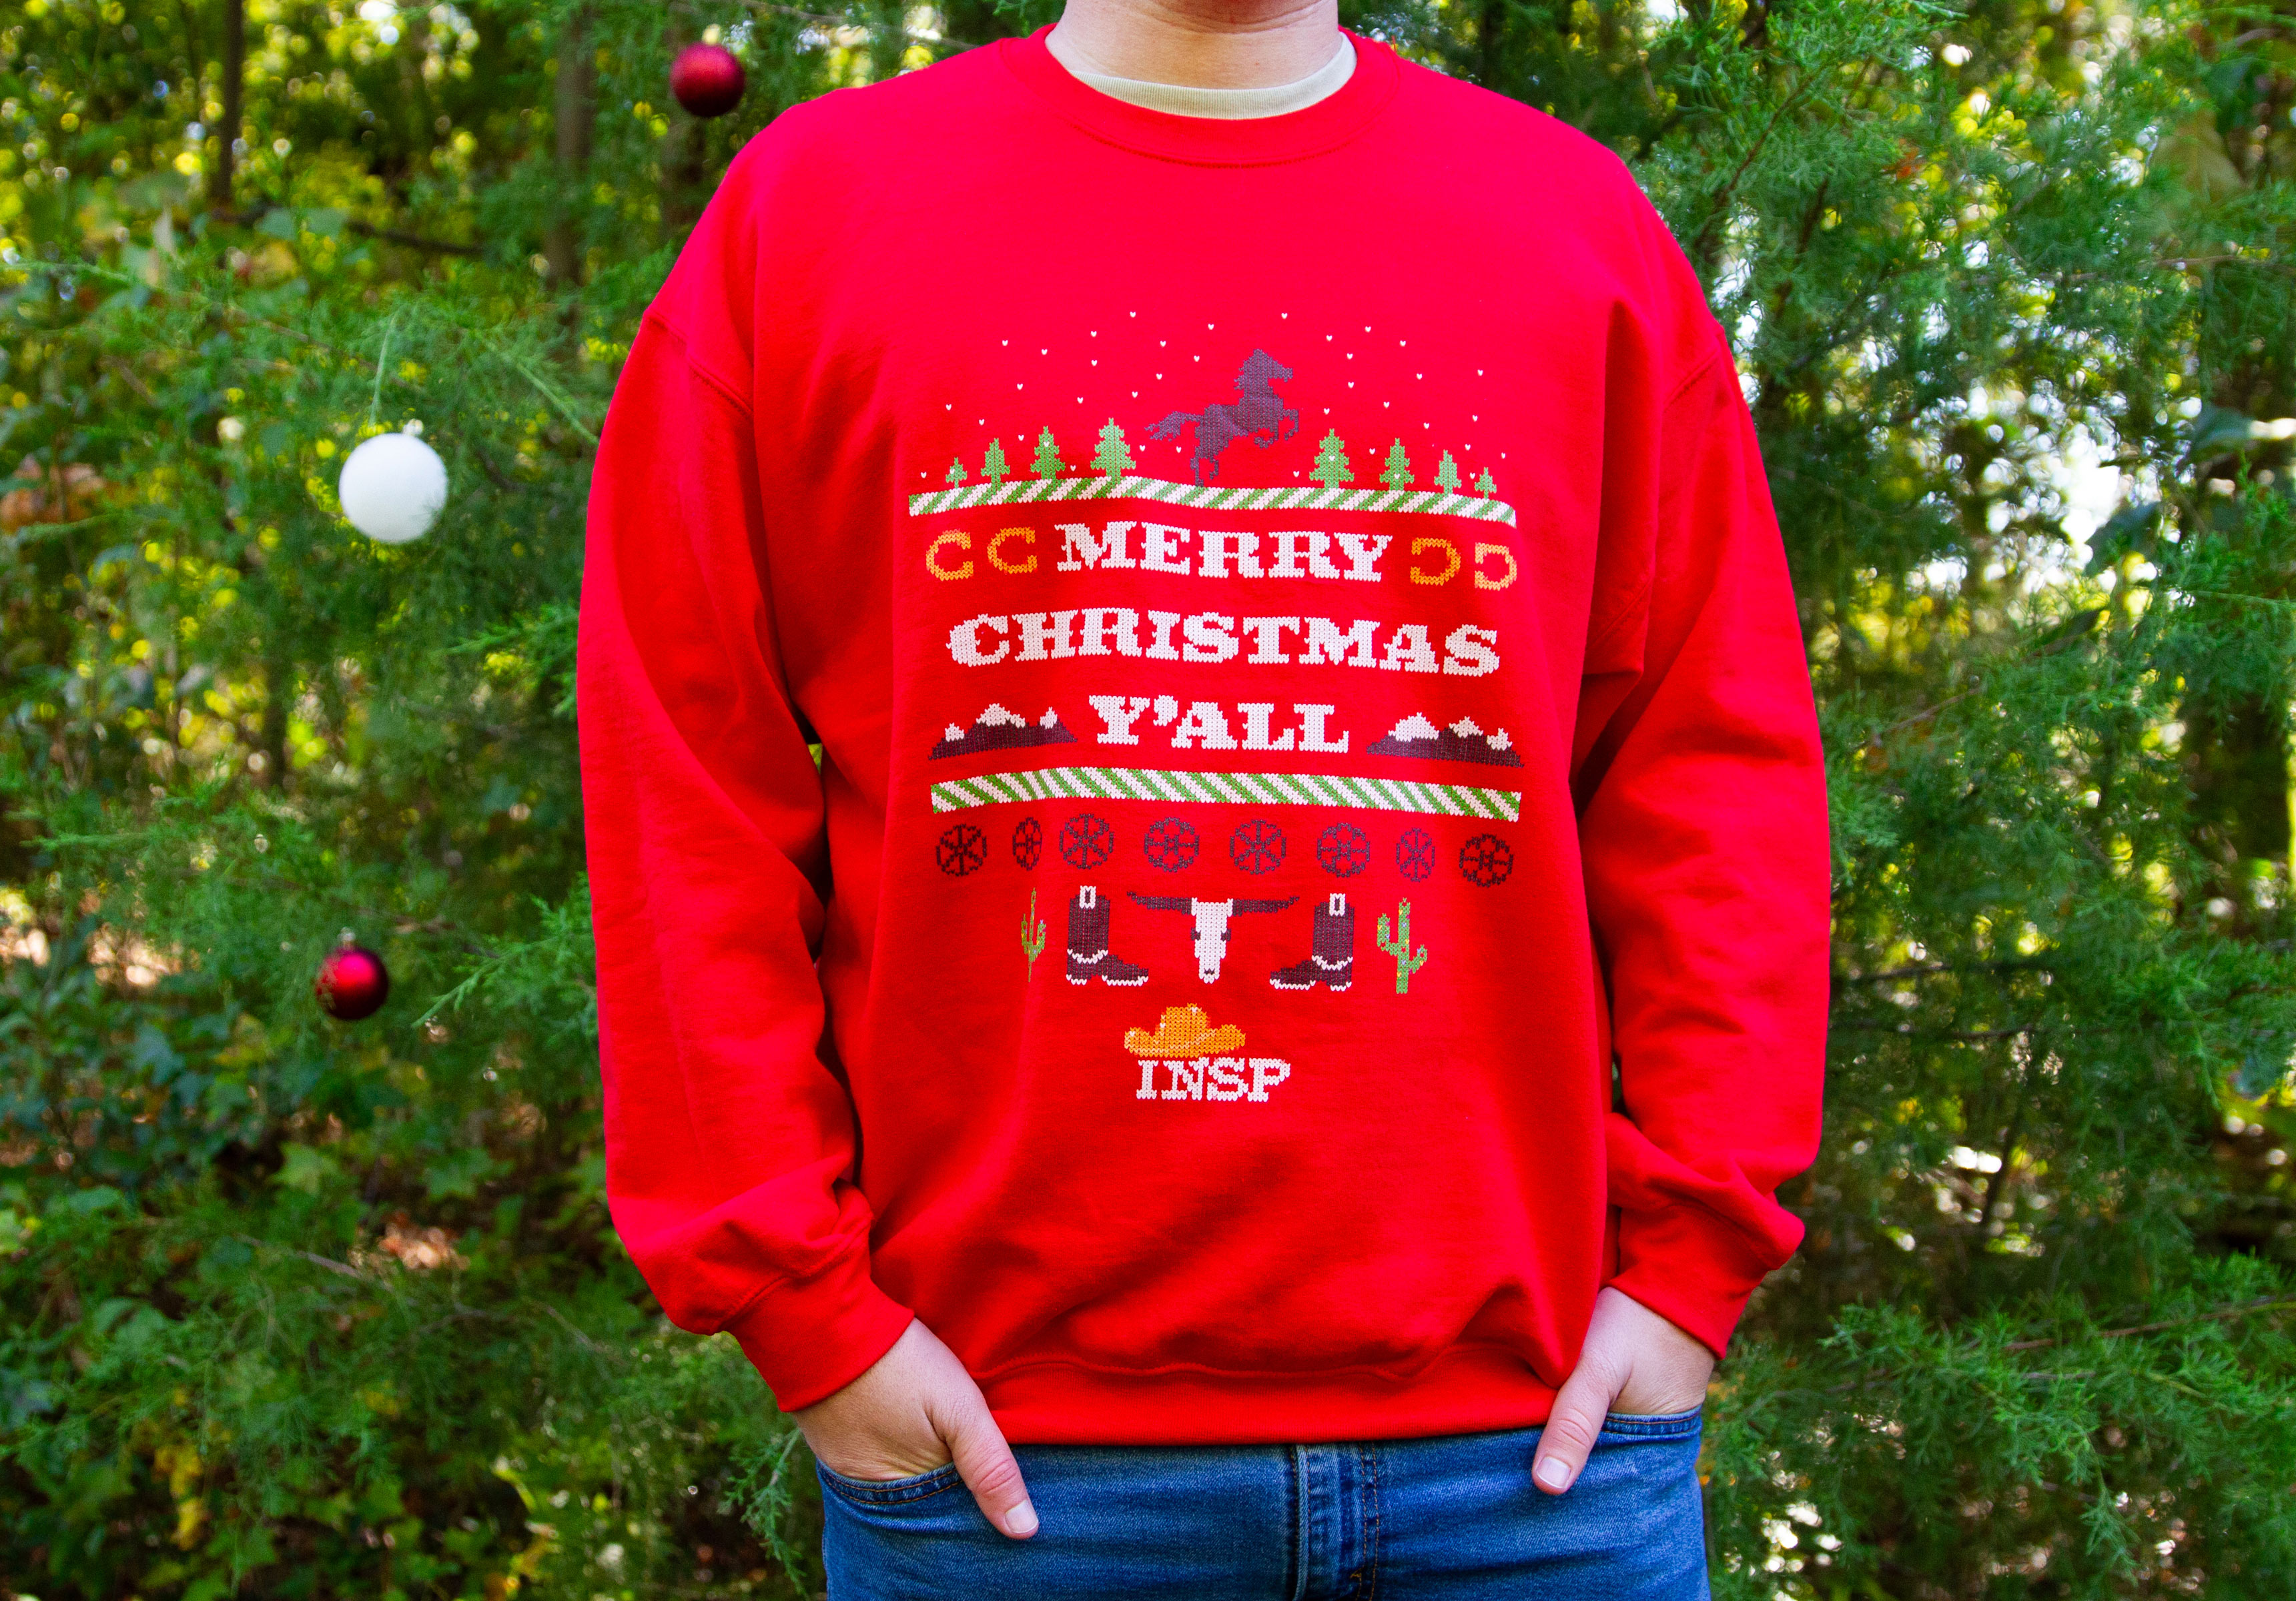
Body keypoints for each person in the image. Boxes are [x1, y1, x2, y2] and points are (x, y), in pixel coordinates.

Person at [578, 0, 1828, 1590]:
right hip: (1001, 1476)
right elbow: (681, 782)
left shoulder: (1571, 227)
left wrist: (1693, 1261)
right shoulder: (817, 214)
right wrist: (805, 1314)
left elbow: (1714, 770)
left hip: (1535, 1476)